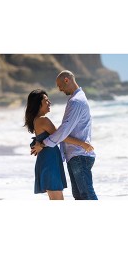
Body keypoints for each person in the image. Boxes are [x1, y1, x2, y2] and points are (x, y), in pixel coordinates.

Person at [31, 70, 98, 200]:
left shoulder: (76, 101)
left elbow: (63, 131)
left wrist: (43, 144)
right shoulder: (76, 99)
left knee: (86, 195)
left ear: (66, 80)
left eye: (59, 85)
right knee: (80, 196)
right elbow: (62, 132)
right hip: (76, 155)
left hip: (79, 155)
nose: (59, 89)